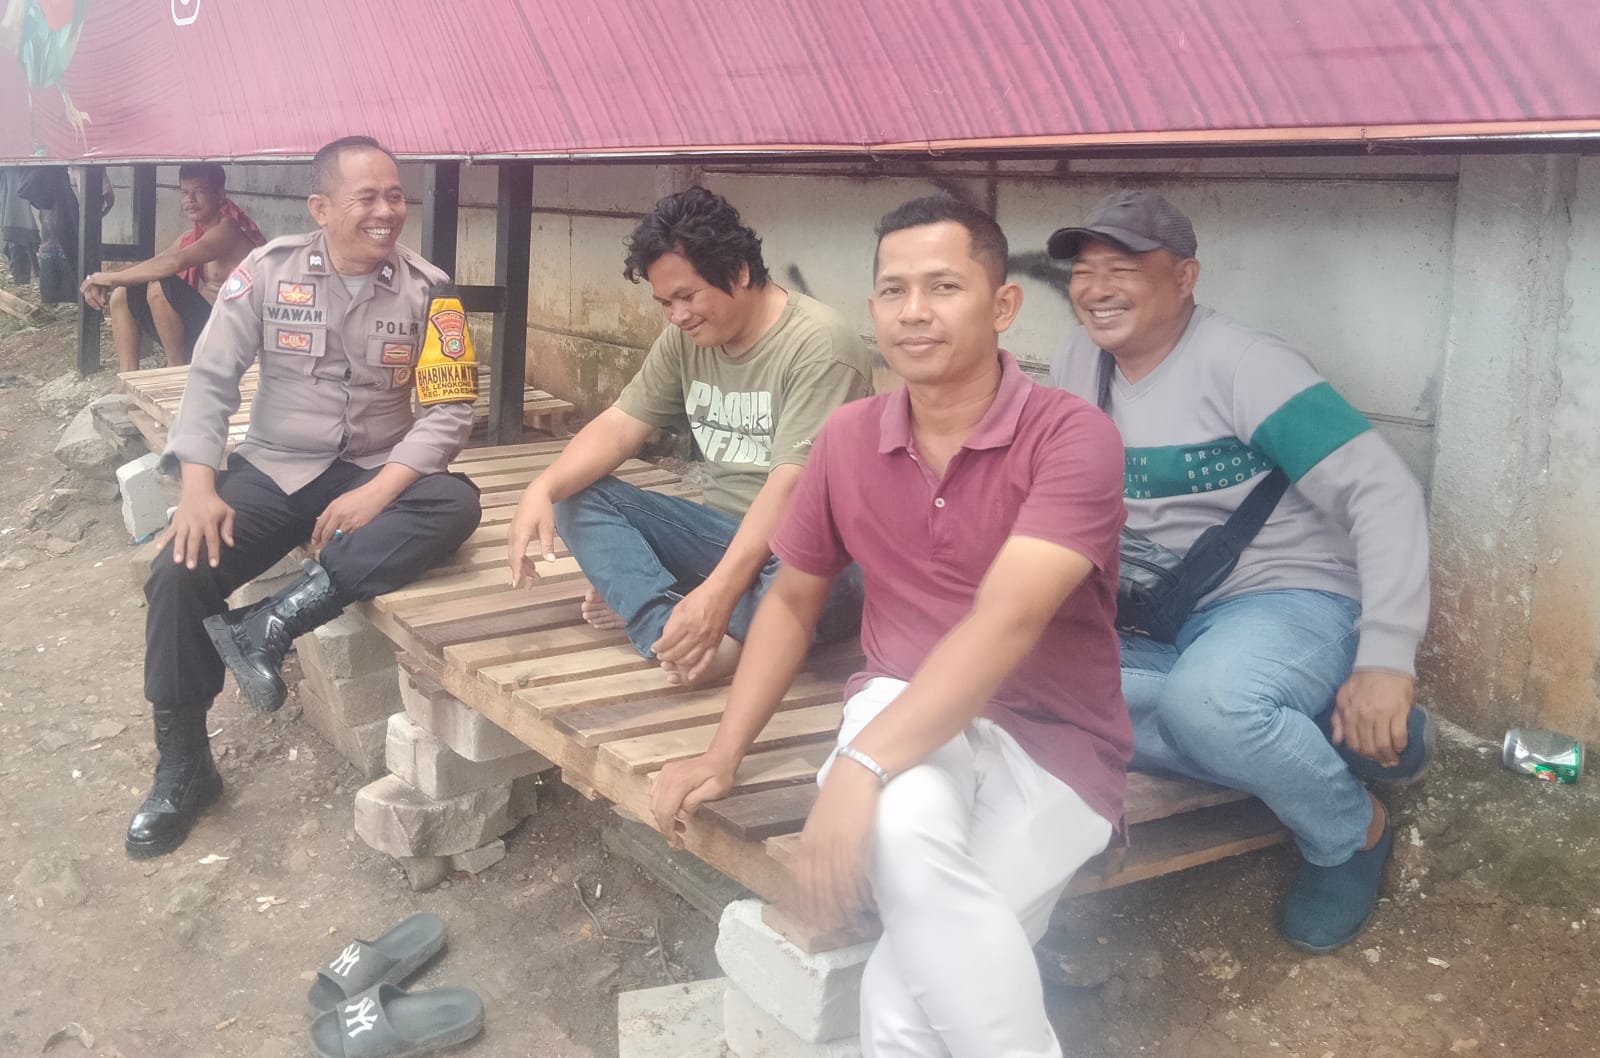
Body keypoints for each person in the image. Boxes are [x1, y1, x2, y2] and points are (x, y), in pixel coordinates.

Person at [651, 196, 1131, 1056]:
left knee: (904, 1003)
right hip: (899, 704)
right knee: (906, 834)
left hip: (1053, 743)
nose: (914, 311)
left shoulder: (1071, 437)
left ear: (1003, 304)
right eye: (893, 290)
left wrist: (860, 766)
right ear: (872, 309)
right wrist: (724, 754)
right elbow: (792, 599)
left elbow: (1007, 620)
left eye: (944, 287)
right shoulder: (847, 438)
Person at [1045, 189, 1434, 954]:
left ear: (1184, 277)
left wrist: (1387, 659)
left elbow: (1384, 492)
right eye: (1084, 270)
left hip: (1285, 597)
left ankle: (1348, 831)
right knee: (1013, 681)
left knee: (1210, 706)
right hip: (1157, 616)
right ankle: (1310, 732)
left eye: (1123, 267)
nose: (1096, 288)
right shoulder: (1076, 361)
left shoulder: (1248, 364)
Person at [126, 136, 483, 860]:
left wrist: (380, 489)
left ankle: (271, 621)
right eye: (367, 197)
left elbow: (450, 409)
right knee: (177, 572)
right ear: (321, 208)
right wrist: (199, 488)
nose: (387, 211)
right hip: (275, 469)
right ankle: (184, 769)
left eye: (395, 196)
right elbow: (211, 379)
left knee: (455, 504)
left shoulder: (431, 288)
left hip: (374, 466)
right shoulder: (267, 272)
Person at [506, 187, 870, 686]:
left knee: (822, 578)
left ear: (739, 272)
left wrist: (715, 597)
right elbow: (620, 424)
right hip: (720, 540)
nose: (677, 315)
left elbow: (791, 490)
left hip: (808, 554)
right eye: (664, 303)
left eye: (687, 296)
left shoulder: (820, 344)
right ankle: (670, 631)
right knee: (575, 493)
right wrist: (542, 487)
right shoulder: (685, 339)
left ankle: (710, 629)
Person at [79, 164, 265, 371]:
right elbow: (154, 263)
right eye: (185, 192)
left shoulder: (229, 229)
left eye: (199, 191)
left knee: (160, 286)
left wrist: (110, 279)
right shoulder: (190, 237)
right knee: (123, 292)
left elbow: (175, 262)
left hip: (234, 335)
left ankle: (175, 369)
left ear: (219, 195)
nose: (190, 199)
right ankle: (127, 377)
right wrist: (103, 278)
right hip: (205, 330)